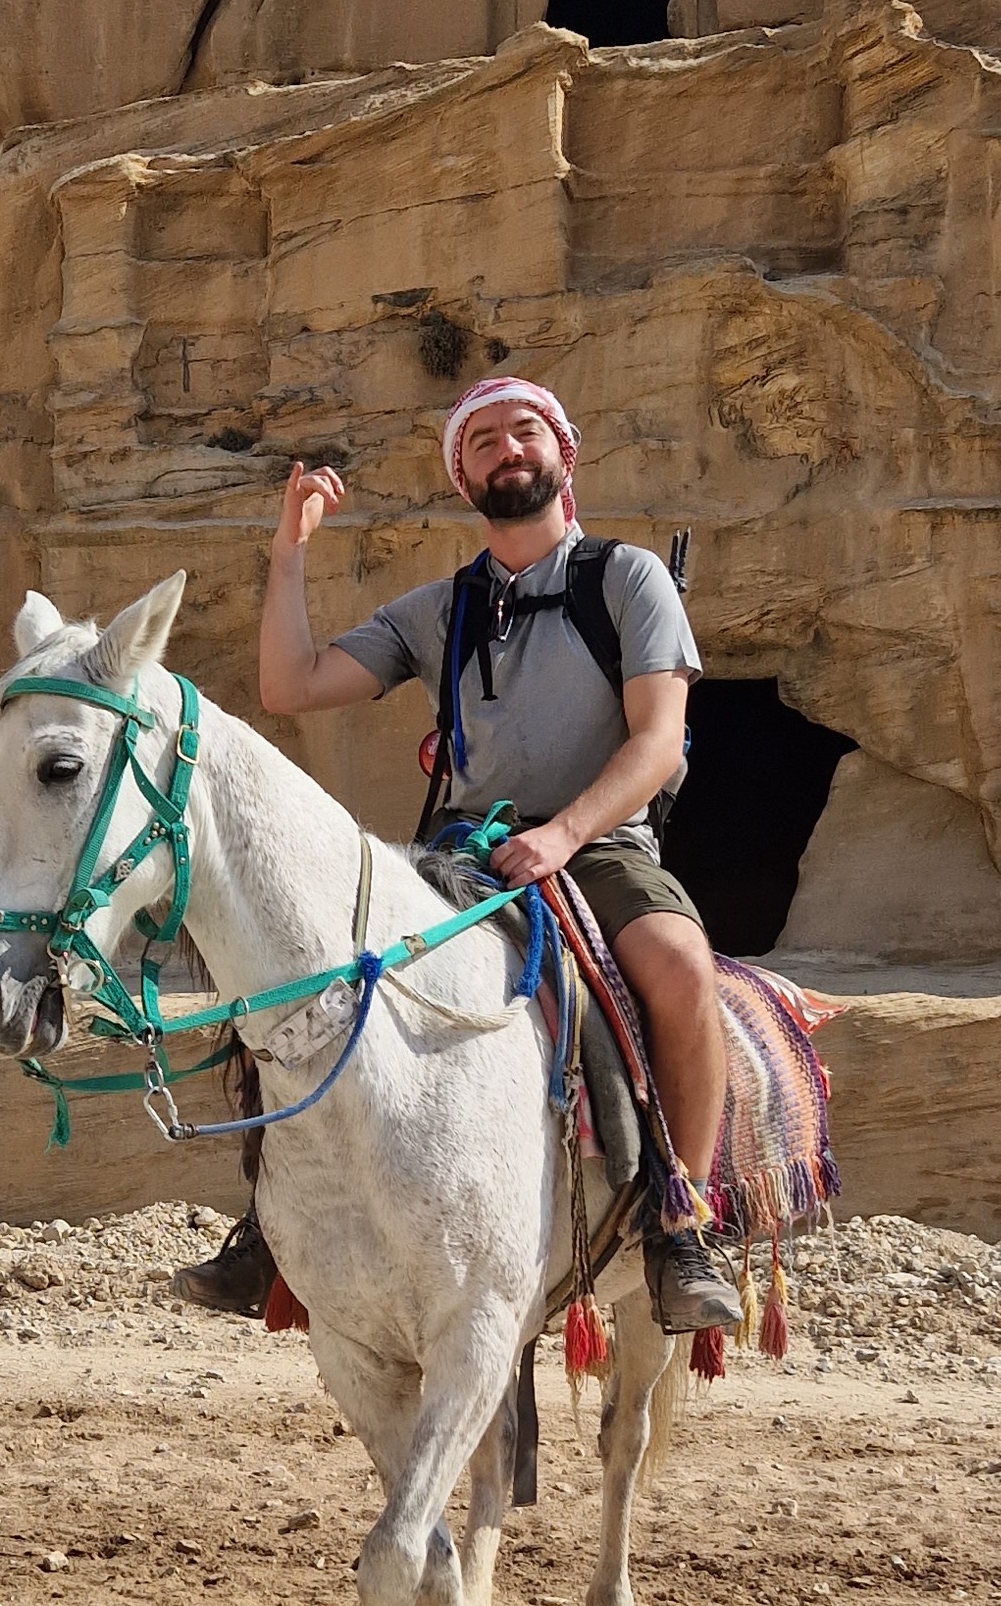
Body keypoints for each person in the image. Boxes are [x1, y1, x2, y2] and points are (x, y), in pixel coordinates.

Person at [174, 376, 742, 1334]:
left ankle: (680, 1221)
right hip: (464, 854)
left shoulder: (627, 579)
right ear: (462, 476)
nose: (505, 450)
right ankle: (275, 1225)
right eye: (481, 441)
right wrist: (288, 554)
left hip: (599, 843)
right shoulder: (443, 608)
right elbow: (291, 683)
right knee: (294, 970)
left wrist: (564, 834)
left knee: (681, 968)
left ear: (564, 454)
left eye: (524, 432)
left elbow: (656, 744)